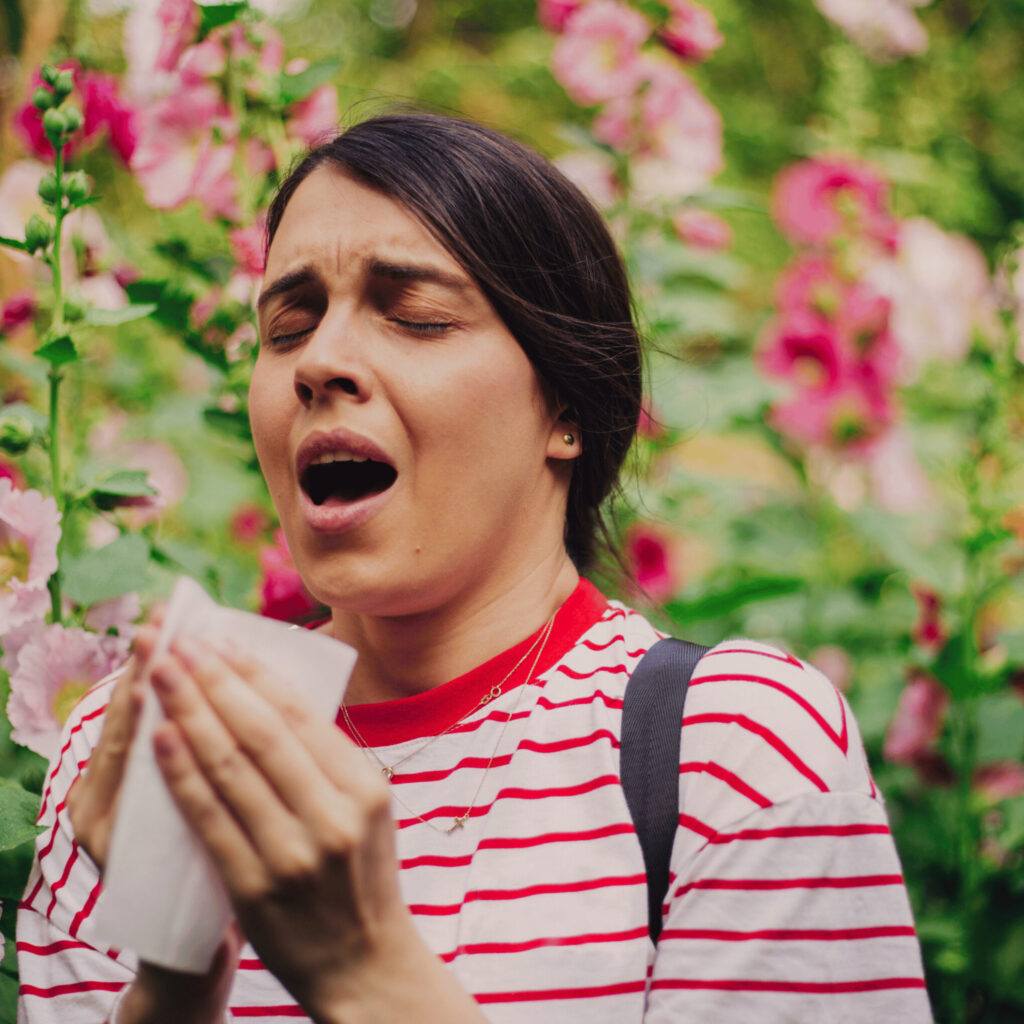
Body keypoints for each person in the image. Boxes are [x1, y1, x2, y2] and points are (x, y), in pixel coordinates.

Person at [16, 111, 932, 1023]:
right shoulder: (135, 750)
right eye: (289, 327)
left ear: (565, 407)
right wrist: (176, 984)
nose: (321, 360)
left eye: (415, 317)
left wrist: (363, 975)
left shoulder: (729, 751)